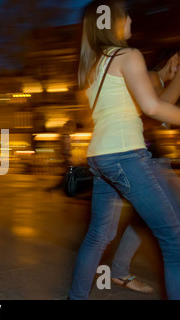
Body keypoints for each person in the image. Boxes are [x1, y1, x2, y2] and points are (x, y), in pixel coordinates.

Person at [68, 0, 180, 300]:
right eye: (125, 14)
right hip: (125, 156)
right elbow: (153, 107)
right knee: (175, 239)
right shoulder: (129, 56)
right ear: (114, 22)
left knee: (97, 237)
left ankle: (75, 297)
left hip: (100, 158)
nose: (131, 18)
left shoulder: (93, 66)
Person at [110, 49, 180, 293]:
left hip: (157, 162)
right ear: (173, 59)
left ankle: (118, 269)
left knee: (145, 219)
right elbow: (161, 106)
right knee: (170, 224)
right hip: (149, 162)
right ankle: (119, 269)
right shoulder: (150, 77)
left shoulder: (156, 82)